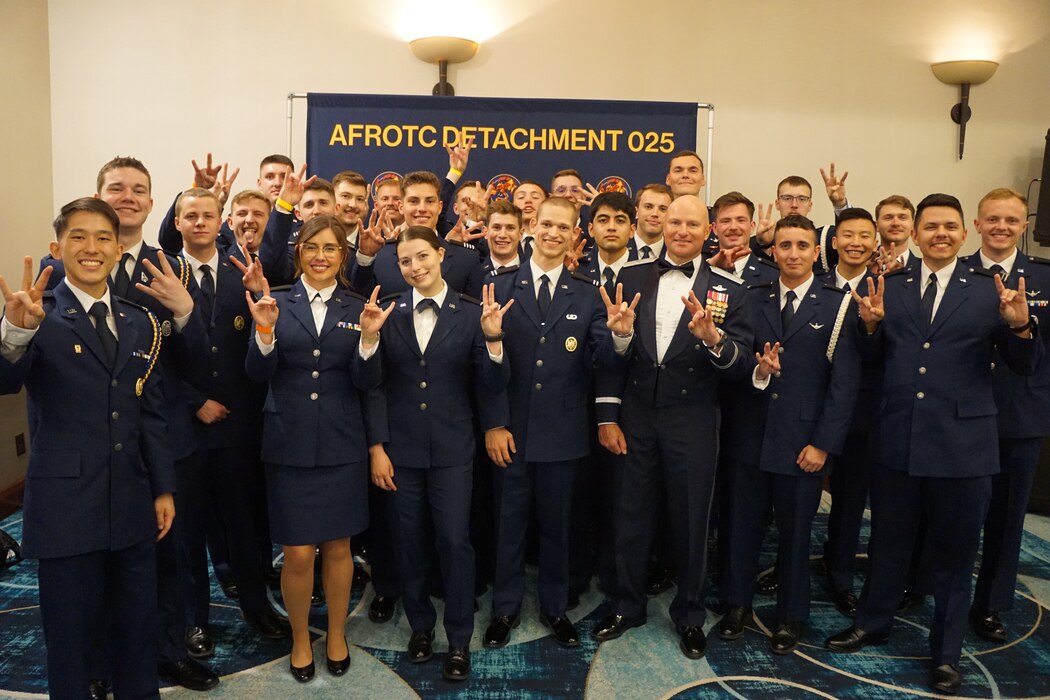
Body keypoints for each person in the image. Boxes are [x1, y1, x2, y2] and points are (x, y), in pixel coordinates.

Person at [825, 193, 1042, 695]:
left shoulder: (993, 291)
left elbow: (1023, 365)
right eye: (930, 227)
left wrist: (1021, 326)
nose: (939, 234)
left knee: (953, 554)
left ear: (964, 232)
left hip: (963, 447)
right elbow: (872, 360)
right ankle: (873, 621)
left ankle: (946, 652)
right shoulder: (891, 286)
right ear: (916, 234)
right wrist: (870, 326)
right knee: (888, 543)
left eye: (949, 226)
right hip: (898, 438)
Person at [0, 198, 175, 699]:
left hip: (133, 500)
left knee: (136, 632)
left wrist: (164, 487)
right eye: (78, 237)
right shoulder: (37, 315)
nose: (92, 248)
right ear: (57, 247)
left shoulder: (140, 321)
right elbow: (5, 380)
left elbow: (152, 413)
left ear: (119, 249)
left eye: (103, 237)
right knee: (72, 639)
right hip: (65, 507)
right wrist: (14, 334)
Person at [592, 195, 754, 660]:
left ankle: (689, 614)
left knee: (691, 521)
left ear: (709, 232)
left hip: (694, 420)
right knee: (630, 514)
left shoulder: (730, 290)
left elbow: (741, 365)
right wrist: (608, 409)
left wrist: (713, 339)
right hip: (636, 417)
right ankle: (627, 604)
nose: (682, 230)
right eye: (675, 220)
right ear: (662, 222)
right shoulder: (630, 276)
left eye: (693, 224)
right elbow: (610, 361)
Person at [243, 215, 389, 682]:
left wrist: (369, 340)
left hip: (342, 443)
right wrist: (264, 333)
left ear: (343, 255)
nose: (321, 255)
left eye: (331, 248)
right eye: (312, 247)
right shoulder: (276, 302)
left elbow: (369, 382)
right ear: (298, 252)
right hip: (288, 443)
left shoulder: (358, 305)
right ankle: (302, 637)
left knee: (339, 548)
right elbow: (256, 375)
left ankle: (339, 633)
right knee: (299, 553)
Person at [484, 196, 634, 650]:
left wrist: (620, 335)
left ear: (575, 236)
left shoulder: (587, 293)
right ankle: (505, 609)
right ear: (532, 226)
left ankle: (554, 607)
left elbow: (599, 361)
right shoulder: (500, 287)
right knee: (508, 526)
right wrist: (495, 423)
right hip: (510, 431)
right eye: (545, 224)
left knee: (559, 527)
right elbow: (483, 365)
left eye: (562, 227)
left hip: (565, 435)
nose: (552, 233)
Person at [368, 226, 511, 681]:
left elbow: (491, 385)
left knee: (454, 541)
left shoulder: (472, 314)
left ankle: (459, 638)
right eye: (406, 261)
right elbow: (370, 387)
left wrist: (493, 340)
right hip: (401, 450)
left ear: (441, 255)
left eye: (422, 257)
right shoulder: (386, 311)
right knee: (409, 543)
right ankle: (421, 627)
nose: (415, 267)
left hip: (453, 449)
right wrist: (377, 446)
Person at [717, 215, 859, 654]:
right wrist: (759, 372)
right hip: (749, 435)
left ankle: (790, 617)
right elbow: (735, 364)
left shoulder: (838, 304)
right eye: (784, 246)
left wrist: (823, 444)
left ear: (817, 252)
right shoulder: (750, 297)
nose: (793, 254)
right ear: (772, 252)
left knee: (797, 535)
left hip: (803, 444)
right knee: (740, 529)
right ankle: (736, 604)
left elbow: (844, 384)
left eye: (802, 246)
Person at [171, 188, 289, 653]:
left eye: (208, 215)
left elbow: (262, 343)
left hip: (239, 427)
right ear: (177, 223)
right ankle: (193, 621)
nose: (200, 223)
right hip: (185, 428)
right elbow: (151, 357)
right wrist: (193, 400)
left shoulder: (245, 274)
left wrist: (262, 298)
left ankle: (258, 607)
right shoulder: (162, 274)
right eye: (190, 216)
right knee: (189, 532)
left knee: (245, 526)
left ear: (221, 221)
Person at [963, 188, 1050, 642]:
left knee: (1007, 516)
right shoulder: (958, 275)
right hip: (962, 413)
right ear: (976, 225)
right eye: (992, 219)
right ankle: (922, 587)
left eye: (1011, 221)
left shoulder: (1044, 278)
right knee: (950, 513)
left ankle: (991, 605)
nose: (1001, 227)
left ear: (1023, 226)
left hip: (1019, 415)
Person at [822, 207, 881, 616]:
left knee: (848, 499)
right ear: (835, 241)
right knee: (800, 499)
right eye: (848, 235)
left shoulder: (887, 290)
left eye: (864, 236)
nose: (855, 243)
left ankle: (839, 572)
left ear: (874, 242)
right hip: (811, 410)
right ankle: (789, 562)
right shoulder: (815, 285)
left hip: (862, 414)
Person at [633, 184, 672, 260]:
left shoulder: (675, 253)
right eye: (648, 207)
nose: (655, 214)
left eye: (663, 209)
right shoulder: (618, 248)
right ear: (636, 212)